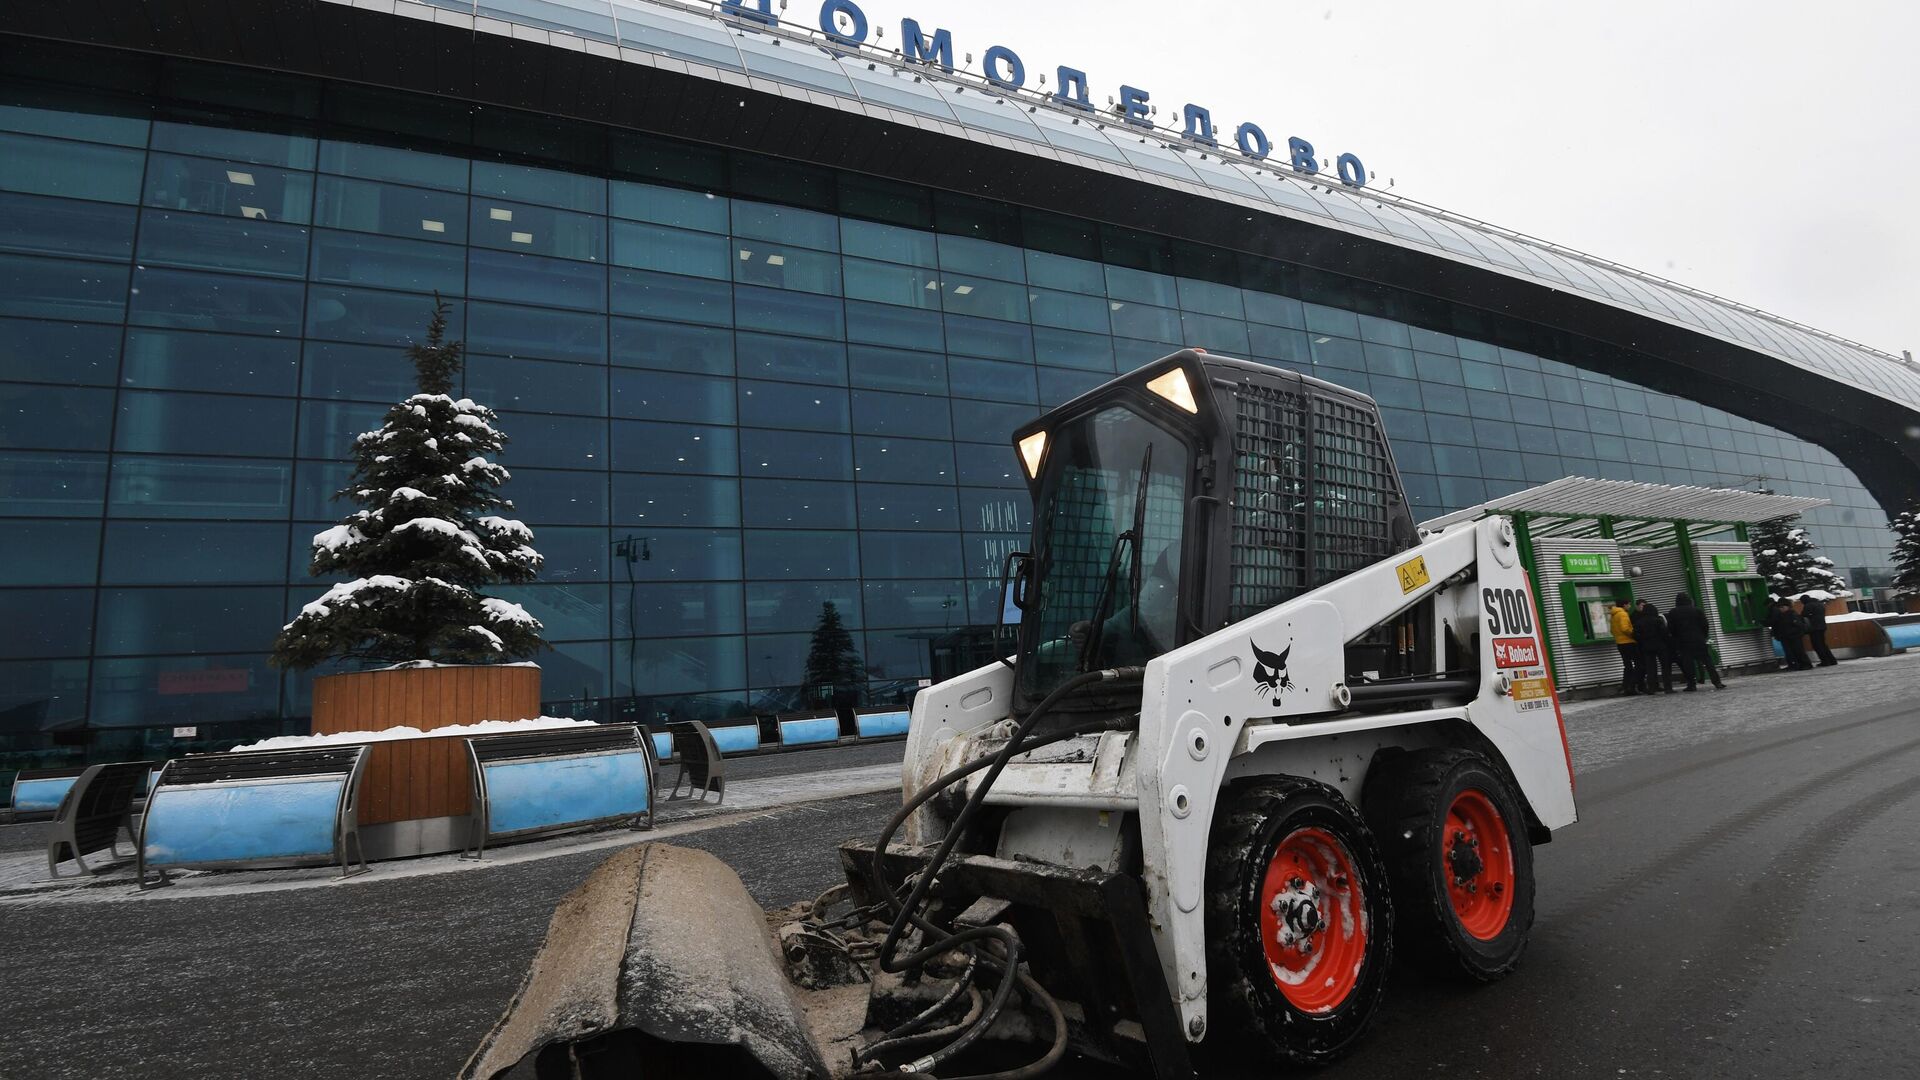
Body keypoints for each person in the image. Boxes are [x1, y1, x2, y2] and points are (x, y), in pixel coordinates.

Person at [1667, 592, 1724, 690]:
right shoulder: (1697, 610)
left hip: (1683, 641)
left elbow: (1671, 628)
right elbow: (1705, 624)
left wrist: (1676, 639)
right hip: (1698, 639)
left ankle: (1691, 684)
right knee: (1707, 661)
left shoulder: (1673, 612)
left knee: (1688, 663)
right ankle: (1717, 682)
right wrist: (1703, 636)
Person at [1634, 600, 1677, 694]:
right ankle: (1668, 688)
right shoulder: (1658, 620)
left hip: (1647, 647)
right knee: (1665, 667)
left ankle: (1652, 688)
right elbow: (1664, 633)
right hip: (1660, 646)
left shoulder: (1639, 622)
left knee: (1650, 668)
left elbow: (1636, 635)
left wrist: (1643, 641)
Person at [1767, 599, 1813, 671]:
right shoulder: (1782, 615)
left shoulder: (1792, 614)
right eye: (1780, 607)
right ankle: (1795, 665)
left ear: (1788, 607)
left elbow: (1799, 626)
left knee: (1798, 651)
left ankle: (1805, 664)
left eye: (1783, 607)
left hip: (1794, 636)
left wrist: (1793, 633)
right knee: (1790, 652)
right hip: (1786, 636)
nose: (1781, 609)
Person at [1608, 597, 1640, 695]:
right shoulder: (1623, 614)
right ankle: (1632, 686)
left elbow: (1612, 630)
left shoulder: (1614, 615)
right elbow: (1625, 628)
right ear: (1624, 605)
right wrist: (1634, 635)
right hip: (1628, 642)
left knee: (1627, 666)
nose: (1630, 606)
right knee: (1639, 664)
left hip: (1620, 643)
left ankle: (1625, 686)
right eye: (1629, 604)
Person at [1798, 593, 1840, 667]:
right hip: (1822, 626)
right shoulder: (1819, 604)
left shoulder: (1808, 605)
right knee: (1823, 644)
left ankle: (1825, 661)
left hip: (1814, 628)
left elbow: (1803, 615)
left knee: (1817, 645)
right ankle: (1832, 660)